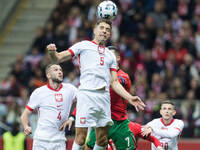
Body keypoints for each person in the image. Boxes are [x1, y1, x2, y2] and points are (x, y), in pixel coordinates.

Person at [47, 19, 146, 150]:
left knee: (102, 140)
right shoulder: (83, 45)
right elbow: (59, 58)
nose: (104, 31)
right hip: (87, 95)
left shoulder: (110, 56)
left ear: (110, 34)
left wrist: (129, 98)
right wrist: (52, 52)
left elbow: (114, 82)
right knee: (81, 138)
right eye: (102, 28)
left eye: (108, 30)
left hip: (104, 97)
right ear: (95, 30)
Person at [83, 46, 163, 150]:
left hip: (119, 124)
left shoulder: (123, 76)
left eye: (110, 55)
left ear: (118, 58)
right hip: (102, 121)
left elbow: (115, 82)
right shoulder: (101, 75)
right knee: (88, 147)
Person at [20, 63, 77, 150]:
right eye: (56, 70)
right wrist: (26, 126)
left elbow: (84, 102)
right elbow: (24, 115)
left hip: (59, 141)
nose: (60, 72)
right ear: (48, 75)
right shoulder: (39, 92)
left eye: (60, 70)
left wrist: (71, 118)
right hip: (41, 141)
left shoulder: (70, 89)